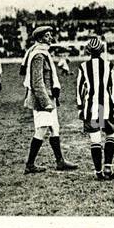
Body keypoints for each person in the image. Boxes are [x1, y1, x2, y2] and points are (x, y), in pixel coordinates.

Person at [21, 22, 77, 173]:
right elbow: (37, 82)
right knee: (42, 129)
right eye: (47, 35)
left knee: (55, 128)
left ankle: (60, 161)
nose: (50, 37)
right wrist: (46, 102)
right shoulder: (38, 55)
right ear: (39, 38)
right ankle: (30, 165)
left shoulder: (43, 52)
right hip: (42, 99)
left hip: (49, 97)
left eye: (50, 35)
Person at [77, 32, 114, 181]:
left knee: (95, 140)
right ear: (102, 50)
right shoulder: (109, 65)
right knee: (110, 134)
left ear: (88, 51)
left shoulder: (83, 66)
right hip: (106, 106)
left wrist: (80, 107)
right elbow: (113, 88)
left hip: (92, 108)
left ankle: (98, 172)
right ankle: (108, 166)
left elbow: (80, 89)